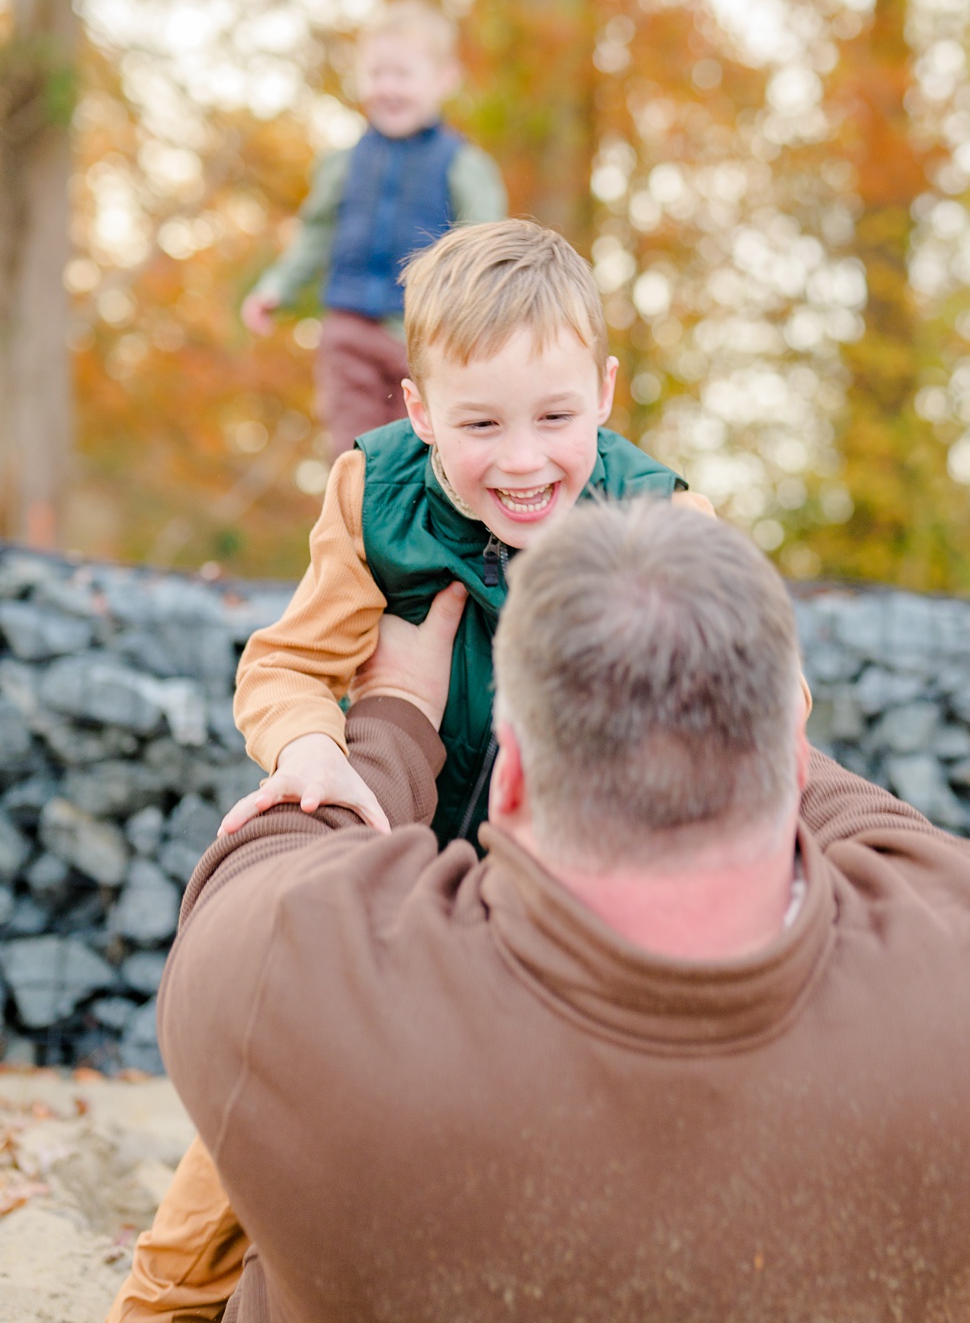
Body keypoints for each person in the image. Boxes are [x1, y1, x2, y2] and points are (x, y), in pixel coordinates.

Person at [146, 500, 970, 1321]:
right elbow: (896, 842)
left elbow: (265, 856)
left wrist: (393, 715)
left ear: (509, 775)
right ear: (790, 764)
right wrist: (768, 741)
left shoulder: (296, 982)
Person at [111, 218, 713, 1323]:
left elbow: (761, 695)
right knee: (281, 1061)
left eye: (556, 416)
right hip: (404, 834)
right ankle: (166, 1296)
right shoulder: (374, 494)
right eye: (480, 421)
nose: (524, 459)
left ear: (607, 394)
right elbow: (289, 660)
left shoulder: (661, 518)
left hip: (569, 867)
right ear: (420, 408)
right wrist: (308, 747)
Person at [241, 0, 506, 454]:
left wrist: (482, 322)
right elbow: (315, 232)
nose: (388, 87)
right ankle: (356, 521)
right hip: (348, 330)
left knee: (422, 449)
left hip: (423, 339)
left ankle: (416, 523)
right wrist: (278, 285)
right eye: (376, 74)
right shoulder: (344, 163)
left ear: (444, 80)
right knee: (355, 448)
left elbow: (486, 249)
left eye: (402, 75)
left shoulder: (462, 165)